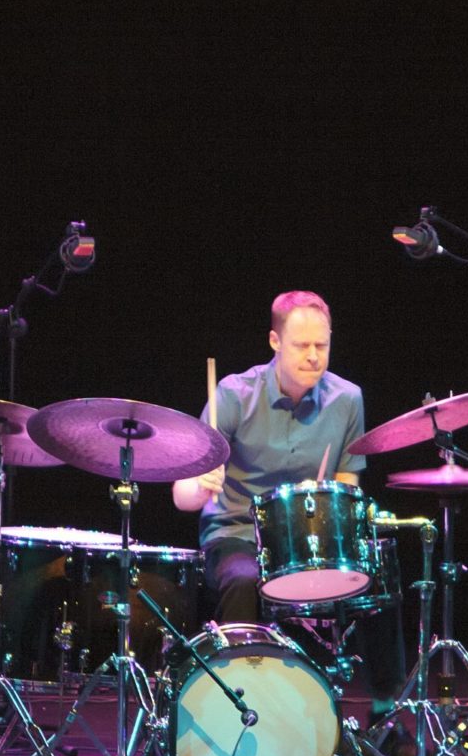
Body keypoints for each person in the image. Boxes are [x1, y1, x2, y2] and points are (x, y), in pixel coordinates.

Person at [173, 291, 403, 707]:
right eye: (302, 346)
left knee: (379, 569)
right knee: (244, 579)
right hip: (237, 535)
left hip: (309, 539)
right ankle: (241, 702)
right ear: (275, 342)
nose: (314, 356)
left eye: (322, 345)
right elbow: (182, 497)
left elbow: (346, 483)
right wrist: (200, 483)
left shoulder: (347, 398)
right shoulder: (233, 394)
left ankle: (386, 710)